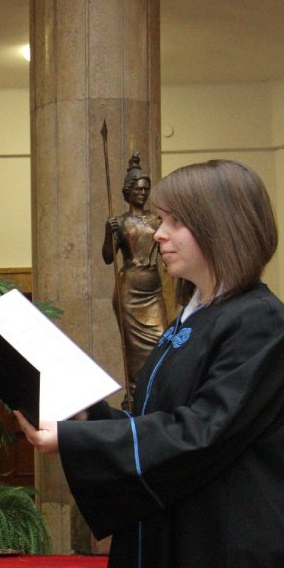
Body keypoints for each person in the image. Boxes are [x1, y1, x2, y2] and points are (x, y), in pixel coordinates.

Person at [16, 160, 284, 568]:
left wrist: (75, 440)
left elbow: (203, 431)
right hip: (184, 543)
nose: (158, 234)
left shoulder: (260, 322)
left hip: (230, 564)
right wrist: (86, 416)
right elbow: (156, 422)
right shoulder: (194, 319)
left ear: (222, 228)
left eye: (175, 221)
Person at [101, 153, 168, 408]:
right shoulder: (119, 222)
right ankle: (135, 398)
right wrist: (108, 234)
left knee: (161, 340)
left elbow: (166, 254)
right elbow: (108, 258)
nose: (142, 193)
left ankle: (157, 394)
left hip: (152, 288)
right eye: (138, 189)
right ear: (127, 192)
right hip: (129, 289)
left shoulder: (158, 221)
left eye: (146, 189)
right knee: (133, 351)